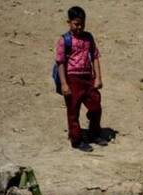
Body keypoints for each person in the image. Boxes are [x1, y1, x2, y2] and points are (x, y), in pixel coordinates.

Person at [55, 6, 105, 152]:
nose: (80, 27)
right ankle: (76, 139)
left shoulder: (88, 37)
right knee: (73, 110)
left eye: (82, 24)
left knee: (96, 105)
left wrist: (98, 77)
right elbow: (60, 62)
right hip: (72, 78)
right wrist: (64, 84)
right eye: (76, 24)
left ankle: (94, 133)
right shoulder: (65, 40)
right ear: (69, 22)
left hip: (88, 77)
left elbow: (95, 57)